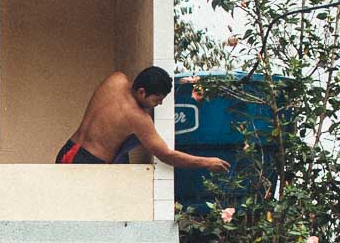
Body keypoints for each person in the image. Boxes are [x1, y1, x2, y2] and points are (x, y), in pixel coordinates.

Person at [57, 67, 230, 171]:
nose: (160, 104)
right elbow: (167, 155)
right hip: (89, 165)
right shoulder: (137, 118)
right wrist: (206, 162)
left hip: (68, 150)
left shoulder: (116, 79)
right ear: (141, 92)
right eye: (156, 100)